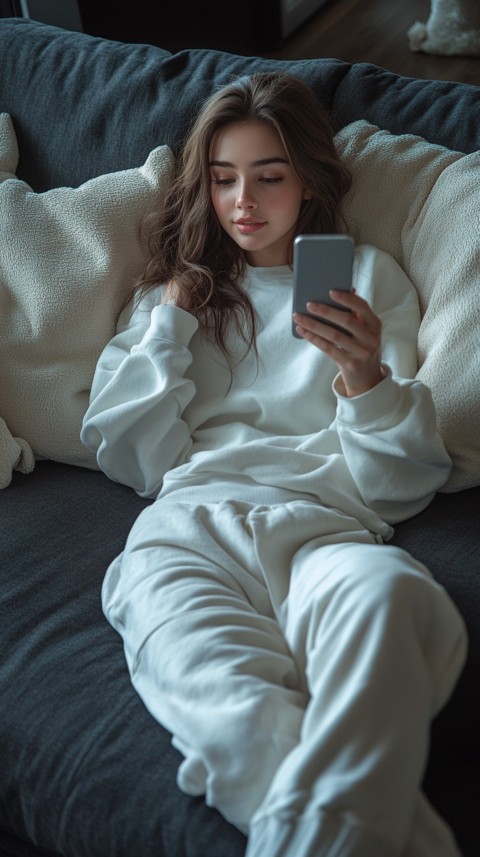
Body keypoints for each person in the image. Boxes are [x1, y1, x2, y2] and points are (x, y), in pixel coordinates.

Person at [81, 73, 467, 857]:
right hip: (187, 533)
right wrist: (172, 328)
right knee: (243, 725)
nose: (242, 203)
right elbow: (132, 458)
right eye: (222, 179)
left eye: (269, 176)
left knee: (395, 597)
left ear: (310, 181)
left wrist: (366, 380)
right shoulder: (170, 299)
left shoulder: (367, 279)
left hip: (321, 527)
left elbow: (401, 486)